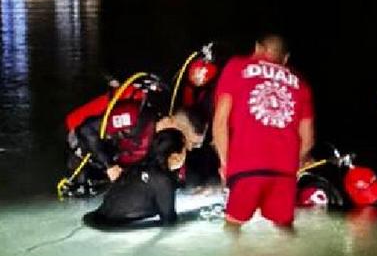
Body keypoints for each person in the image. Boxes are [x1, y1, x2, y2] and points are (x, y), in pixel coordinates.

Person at [212, 33, 315, 229]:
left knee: (233, 227)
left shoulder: (237, 66)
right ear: (285, 58)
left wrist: (225, 164)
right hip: (285, 170)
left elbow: (220, 121)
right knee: (284, 229)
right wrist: (293, 166)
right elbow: (308, 139)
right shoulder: (301, 84)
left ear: (257, 48)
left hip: (246, 166)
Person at [61, 75, 168, 196]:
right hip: (80, 134)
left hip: (104, 133)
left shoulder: (143, 112)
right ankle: (81, 184)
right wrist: (109, 165)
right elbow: (86, 130)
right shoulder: (132, 111)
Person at [83, 129, 188, 228]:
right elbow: (169, 221)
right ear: (175, 156)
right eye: (185, 150)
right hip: (121, 227)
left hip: (97, 219)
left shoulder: (137, 166)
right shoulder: (163, 180)